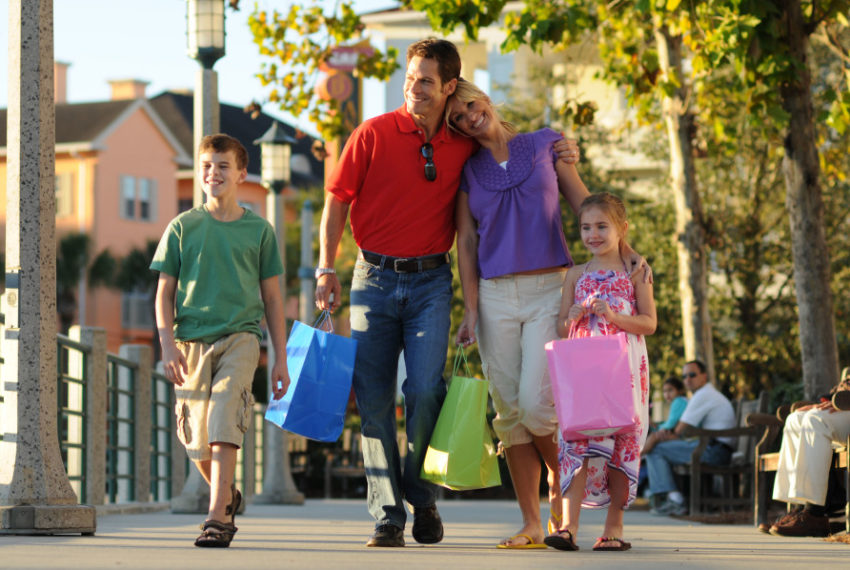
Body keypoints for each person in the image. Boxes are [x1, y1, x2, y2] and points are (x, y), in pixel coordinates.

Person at [313, 38, 477, 548]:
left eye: (426, 80)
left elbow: (503, 151)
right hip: (372, 281)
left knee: (425, 391)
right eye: (410, 78)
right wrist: (325, 267)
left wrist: (559, 149)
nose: (414, 88)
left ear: (449, 87)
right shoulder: (372, 133)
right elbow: (337, 202)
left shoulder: (462, 146)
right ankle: (388, 515)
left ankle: (421, 496)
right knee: (375, 401)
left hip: (432, 282)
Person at [448, 78, 589, 549]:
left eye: (470, 105)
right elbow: (465, 242)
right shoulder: (468, 171)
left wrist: (623, 251)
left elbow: (584, 205)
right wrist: (469, 309)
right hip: (494, 297)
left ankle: (562, 483)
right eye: (458, 118)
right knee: (509, 415)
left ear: (483, 98)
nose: (469, 117)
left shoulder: (546, 143)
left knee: (535, 405)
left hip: (551, 289)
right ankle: (533, 523)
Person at [151, 134, 290, 548]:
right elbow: (163, 293)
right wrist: (166, 343)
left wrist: (279, 357)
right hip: (190, 340)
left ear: (241, 174)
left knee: (225, 413)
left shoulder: (259, 230)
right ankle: (226, 492)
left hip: (241, 337)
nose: (213, 173)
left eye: (223, 166)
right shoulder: (182, 226)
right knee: (194, 436)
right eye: (207, 166)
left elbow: (272, 298)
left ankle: (217, 517)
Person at [543, 192, 655, 552]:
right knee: (577, 439)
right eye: (586, 227)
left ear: (622, 228)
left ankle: (614, 528)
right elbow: (561, 327)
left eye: (602, 226)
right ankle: (567, 526)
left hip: (624, 368)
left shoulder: (635, 271)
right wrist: (571, 317)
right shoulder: (575, 274)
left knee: (623, 438)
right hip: (583, 370)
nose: (593, 234)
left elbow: (649, 323)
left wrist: (614, 317)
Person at [645, 359, 736, 517]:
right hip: (713, 446)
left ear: (704, 376)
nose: (688, 379)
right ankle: (669, 497)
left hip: (714, 451)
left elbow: (678, 431)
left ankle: (675, 500)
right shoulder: (704, 394)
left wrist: (654, 439)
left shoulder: (703, 395)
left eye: (692, 375)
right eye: (685, 376)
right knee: (657, 446)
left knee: (656, 450)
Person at [768, 369, 850, 537]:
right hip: (844, 403)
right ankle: (799, 508)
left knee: (815, 420)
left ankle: (815, 514)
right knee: (795, 418)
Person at [642, 376, 689, 455]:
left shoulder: (679, 401)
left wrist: (658, 428)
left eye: (670, 390)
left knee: (653, 437)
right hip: (683, 434)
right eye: (664, 391)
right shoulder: (682, 400)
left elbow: (671, 423)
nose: (667, 394)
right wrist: (656, 426)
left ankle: (638, 456)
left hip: (684, 436)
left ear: (680, 391)